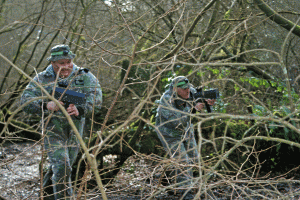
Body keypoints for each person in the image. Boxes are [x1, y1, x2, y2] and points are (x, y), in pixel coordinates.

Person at [20, 44, 102, 200]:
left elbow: (97, 98)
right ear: (53, 63)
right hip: (53, 131)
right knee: (62, 166)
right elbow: (24, 101)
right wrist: (46, 105)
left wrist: (81, 108)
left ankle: (45, 196)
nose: (67, 66)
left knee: (62, 169)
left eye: (69, 61)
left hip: (75, 131)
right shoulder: (42, 78)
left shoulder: (83, 75)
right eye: (62, 63)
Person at [155, 76, 215, 199]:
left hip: (186, 131)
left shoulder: (191, 92)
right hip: (169, 134)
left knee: (195, 160)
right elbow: (178, 122)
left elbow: (203, 106)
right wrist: (193, 109)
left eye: (188, 87)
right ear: (176, 89)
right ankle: (186, 193)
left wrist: (208, 103)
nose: (187, 91)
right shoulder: (166, 100)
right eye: (184, 89)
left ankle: (191, 187)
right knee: (183, 162)